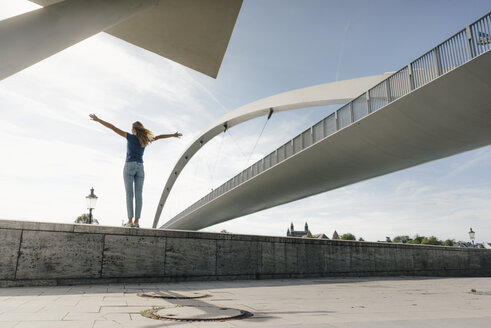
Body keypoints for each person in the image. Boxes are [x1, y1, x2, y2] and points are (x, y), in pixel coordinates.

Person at [89, 114, 182, 228]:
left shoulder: (130, 137)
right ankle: (136, 222)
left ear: (134, 129)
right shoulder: (145, 139)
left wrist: (98, 120)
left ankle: (129, 221)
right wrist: (173, 135)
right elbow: (159, 136)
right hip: (140, 168)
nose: (130, 129)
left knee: (129, 194)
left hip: (129, 166)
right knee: (139, 194)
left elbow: (113, 128)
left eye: (131, 128)